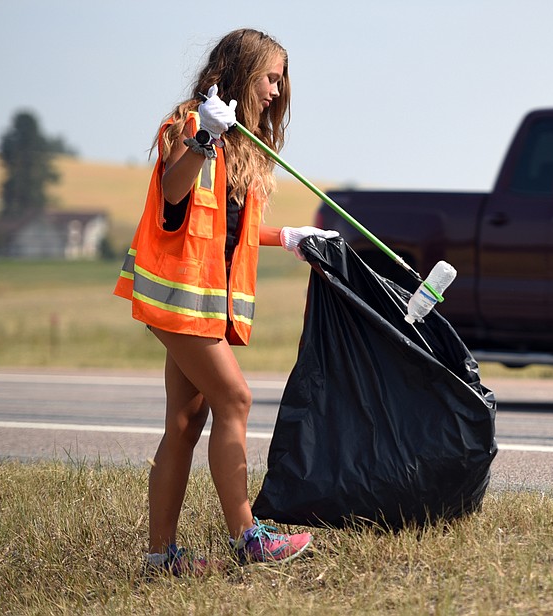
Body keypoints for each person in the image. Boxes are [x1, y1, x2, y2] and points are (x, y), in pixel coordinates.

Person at [114, 28, 335, 575]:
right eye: (269, 77)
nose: (277, 91)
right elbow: (172, 191)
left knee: (186, 425)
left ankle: (160, 558)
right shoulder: (193, 123)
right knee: (235, 399)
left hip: (201, 305)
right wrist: (204, 138)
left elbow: (228, 230)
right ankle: (247, 536)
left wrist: (288, 237)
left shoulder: (245, 143)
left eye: (281, 80)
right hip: (176, 299)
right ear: (239, 73)